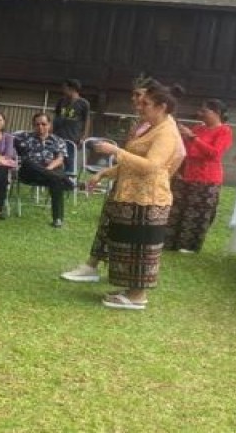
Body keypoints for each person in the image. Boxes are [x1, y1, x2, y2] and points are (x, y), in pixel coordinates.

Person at [61, 83, 183, 311]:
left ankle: (138, 296)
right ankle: (130, 291)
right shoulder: (151, 127)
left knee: (141, 247)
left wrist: (116, 151)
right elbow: (133, 162)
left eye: (146, 103)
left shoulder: (167, 131)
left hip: (149, 199)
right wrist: (104, 173)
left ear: (162, 107)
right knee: (129, 245)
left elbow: (152, 166)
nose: (140, 107)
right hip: (131, 196)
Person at [166, 99, 233, 253]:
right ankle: (170, 241)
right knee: (177, 209)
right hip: (186, 174)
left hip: (207, 178)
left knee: (197, 213)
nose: (200, 114)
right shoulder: (198, 128)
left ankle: (189, 246)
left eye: (204, 111)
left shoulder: (224, 131)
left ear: (217, 113)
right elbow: (185, 150)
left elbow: (214, 154)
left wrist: (193, 138)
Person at [15, 113, 74, 228]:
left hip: (50, 172)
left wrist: (47, 170)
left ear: (49, 125)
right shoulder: (25, 137)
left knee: (56, 179)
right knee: (28, 163)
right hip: (30, 172)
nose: (40, 127)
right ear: (33, 125)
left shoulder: (57, 140)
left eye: (44, 124)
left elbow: (60, 159)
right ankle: (66, 181)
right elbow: (6, 139)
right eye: (37, 124)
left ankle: (57, 219)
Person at [53, 79, 90, 143]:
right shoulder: (60, 101)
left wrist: (84, 136)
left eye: (65, 88)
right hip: (58, 136)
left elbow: (87, 120)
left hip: (73, 138)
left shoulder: (83, 103)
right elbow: (56, 117)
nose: (63, 90)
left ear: (72, 89)